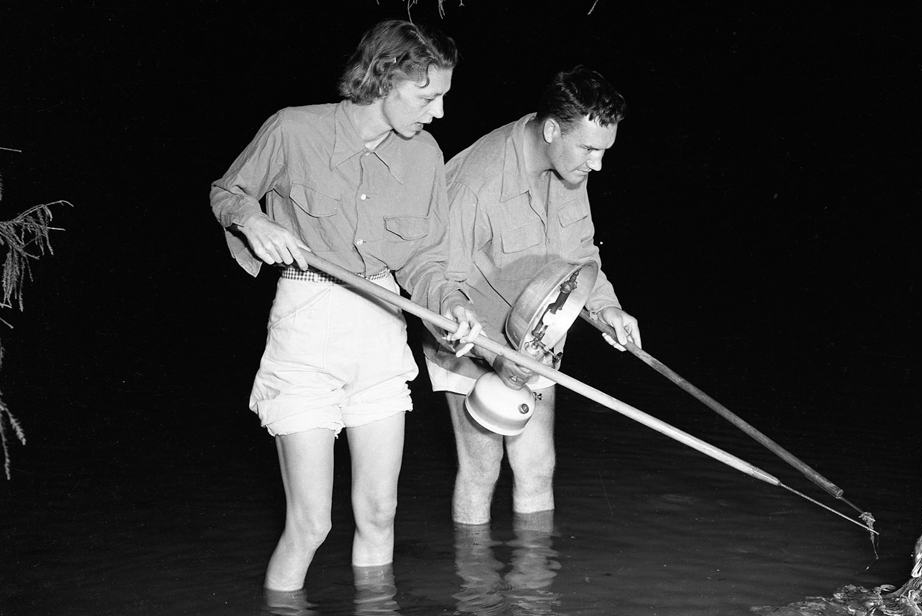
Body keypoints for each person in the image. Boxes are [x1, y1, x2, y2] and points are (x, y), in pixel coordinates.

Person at [209, 19, 481, 592]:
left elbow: (426, 261)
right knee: (311, 524)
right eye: (428, 96)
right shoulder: (292, 129)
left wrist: (452, 306)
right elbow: (227, 191)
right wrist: (253, 218)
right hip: (307, 325)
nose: (437, 113)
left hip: (382, 330)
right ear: (386, 76)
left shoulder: (426, 156)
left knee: (380, 516)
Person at [423, 67, 642, 525]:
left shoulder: (571, 169)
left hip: (537, 339)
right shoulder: (475, 184)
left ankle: (534, 593)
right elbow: (437, 286)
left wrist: (607, 308)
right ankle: (477, 594)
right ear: (550, 129)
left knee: (538, 468)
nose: (597, 165)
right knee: (482, 470)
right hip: (469, 342)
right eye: (589, 149)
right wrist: (494, 355)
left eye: (604, 151)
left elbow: (579, 253)